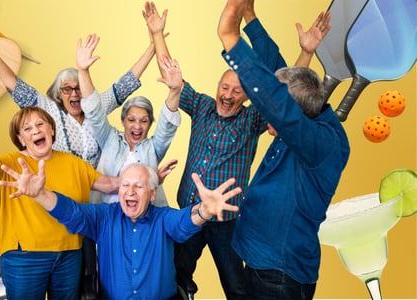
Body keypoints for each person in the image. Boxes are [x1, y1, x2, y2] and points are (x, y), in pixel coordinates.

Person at [143, 1, 331, 298]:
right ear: (217, 86)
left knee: (238, 287)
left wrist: (306, 52)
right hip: (190, 213)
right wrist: (157, 34)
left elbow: (284, 93)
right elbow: (172, 75)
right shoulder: (202, 105)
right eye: (225, 87)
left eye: (238, 91)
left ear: (248, 97)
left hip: (226, 223)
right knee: (173, 275)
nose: (228, 95)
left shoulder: (252, 118)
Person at [217, 0, 350, 299]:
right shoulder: (308, 109)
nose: (267, 121)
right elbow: (277, 75)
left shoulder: (323, 144)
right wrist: (250, 18)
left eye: (274, 115)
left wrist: (230, 38)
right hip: (261, 264)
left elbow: (277, 102)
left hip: (279, 277)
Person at [0, 159, 242, 299]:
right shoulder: (105, 217)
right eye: (125, 185)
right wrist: (40, 194)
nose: (130, 191)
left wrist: (204, 211)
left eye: (138, 186)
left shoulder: (163, 218)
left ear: (153, 193)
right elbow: (72, 212)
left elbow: (183, 224)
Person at [0, 88, 119, 300]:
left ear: (51, 130)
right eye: (27, 128)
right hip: (24, 257)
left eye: (40, 124)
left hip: (69, 255)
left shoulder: (73, 163)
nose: (35, 130)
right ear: (21, 139)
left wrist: (149, 178)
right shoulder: (12, 162)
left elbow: (109, 185)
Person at [0, 1, 156, 168]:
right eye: (67, 89)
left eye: (78, 88)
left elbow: (126, 83)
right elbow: (12, 82)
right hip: (62, 193)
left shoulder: (96, 107)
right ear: (58, 94)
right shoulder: (47, 110)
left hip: (97, 194)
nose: (75, 94)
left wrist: (154, 45)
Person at [77, 33, 182, 207]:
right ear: (123, 121)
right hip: (109, 219)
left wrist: (175, 91)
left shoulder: (153, 148)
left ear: (149, 124)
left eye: (144, 121)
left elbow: (167, 125)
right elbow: (94, 112)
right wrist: (83, 71)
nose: (137, 126)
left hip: (144, 221)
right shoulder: (110, 138)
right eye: (131, 119)